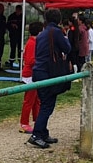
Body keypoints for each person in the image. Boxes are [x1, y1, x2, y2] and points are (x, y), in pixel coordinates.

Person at [28, 8, 71, 149]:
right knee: (47, 105)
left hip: (38, 72)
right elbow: (67, 48)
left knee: (44, 103)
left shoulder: (41, 34)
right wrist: (65, 38)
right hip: (48, 72)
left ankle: (43, 132)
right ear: (59, 20)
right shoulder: (57, 33)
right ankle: (37, 134)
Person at [19, 21, 44, 134]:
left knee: (36, 99)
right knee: (29, 100)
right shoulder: (32, 43)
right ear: (39, 31)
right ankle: (24, 123)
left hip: (34, 73)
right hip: (30, 74)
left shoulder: (34, 42)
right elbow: (30, 60)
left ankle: (37, 119)